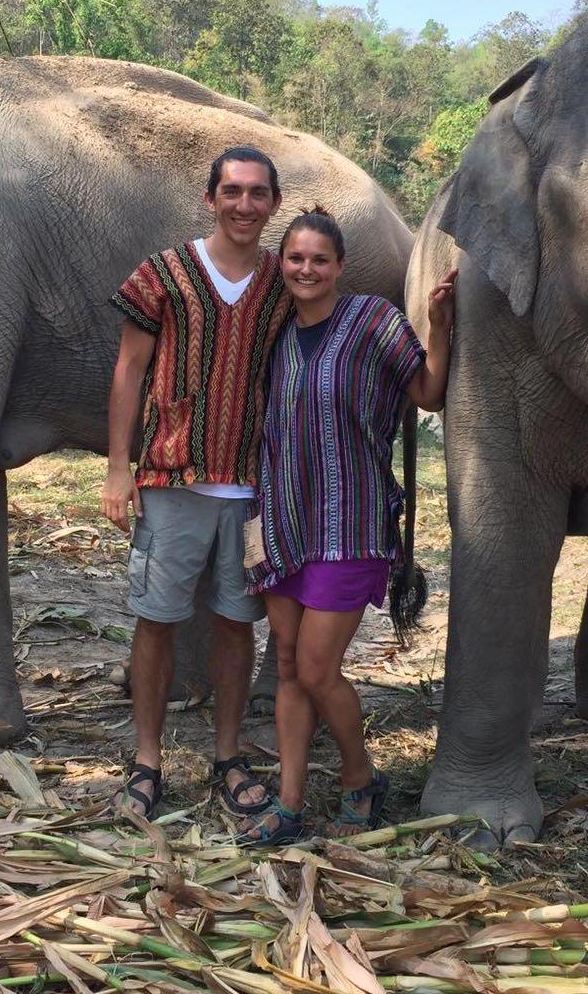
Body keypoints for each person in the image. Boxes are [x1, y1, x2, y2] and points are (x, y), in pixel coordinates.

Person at [237, 207, 456, 845]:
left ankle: (360, 779)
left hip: (350, 521)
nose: (306, 270)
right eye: (296, 258)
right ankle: (290, 799)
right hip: (281, 521)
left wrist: (439, 330)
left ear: (339, 267)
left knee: (315, 669)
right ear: (282, 265)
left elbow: (427, 392)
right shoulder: (273, 335)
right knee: (284, 664)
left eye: (319, 260)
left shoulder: (370, 321)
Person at [101, 145, 293, 819]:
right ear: (210, 198)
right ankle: (146, 757)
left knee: (237, 624)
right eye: (232, 191)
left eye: (258, 193)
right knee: (155, 620)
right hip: (169, 476)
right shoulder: (164, 274)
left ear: (273, 203)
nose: (244, 204)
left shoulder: (281, 283)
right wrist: (117, 467)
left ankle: (227, 754)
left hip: (251, 491)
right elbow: (128, 368)